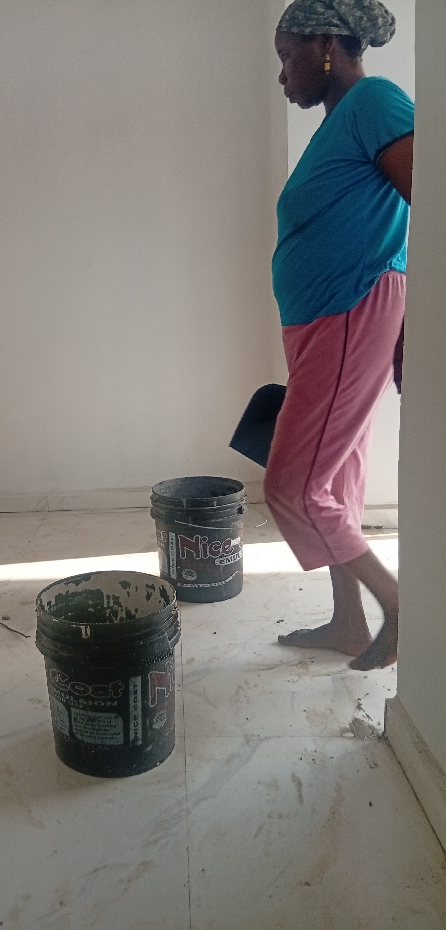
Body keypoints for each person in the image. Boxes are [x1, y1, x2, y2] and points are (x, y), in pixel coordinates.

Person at [265, 0, 413, 671]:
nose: (282, 75)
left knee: (294, 486)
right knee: (334, 479)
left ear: (325, 44)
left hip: (351, 311)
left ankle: (398, 605)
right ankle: (348, 621)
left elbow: (427, 201)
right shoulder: (341, 122)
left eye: (285, 55)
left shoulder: (374, 100)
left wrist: (409, 319)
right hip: (325, 321)